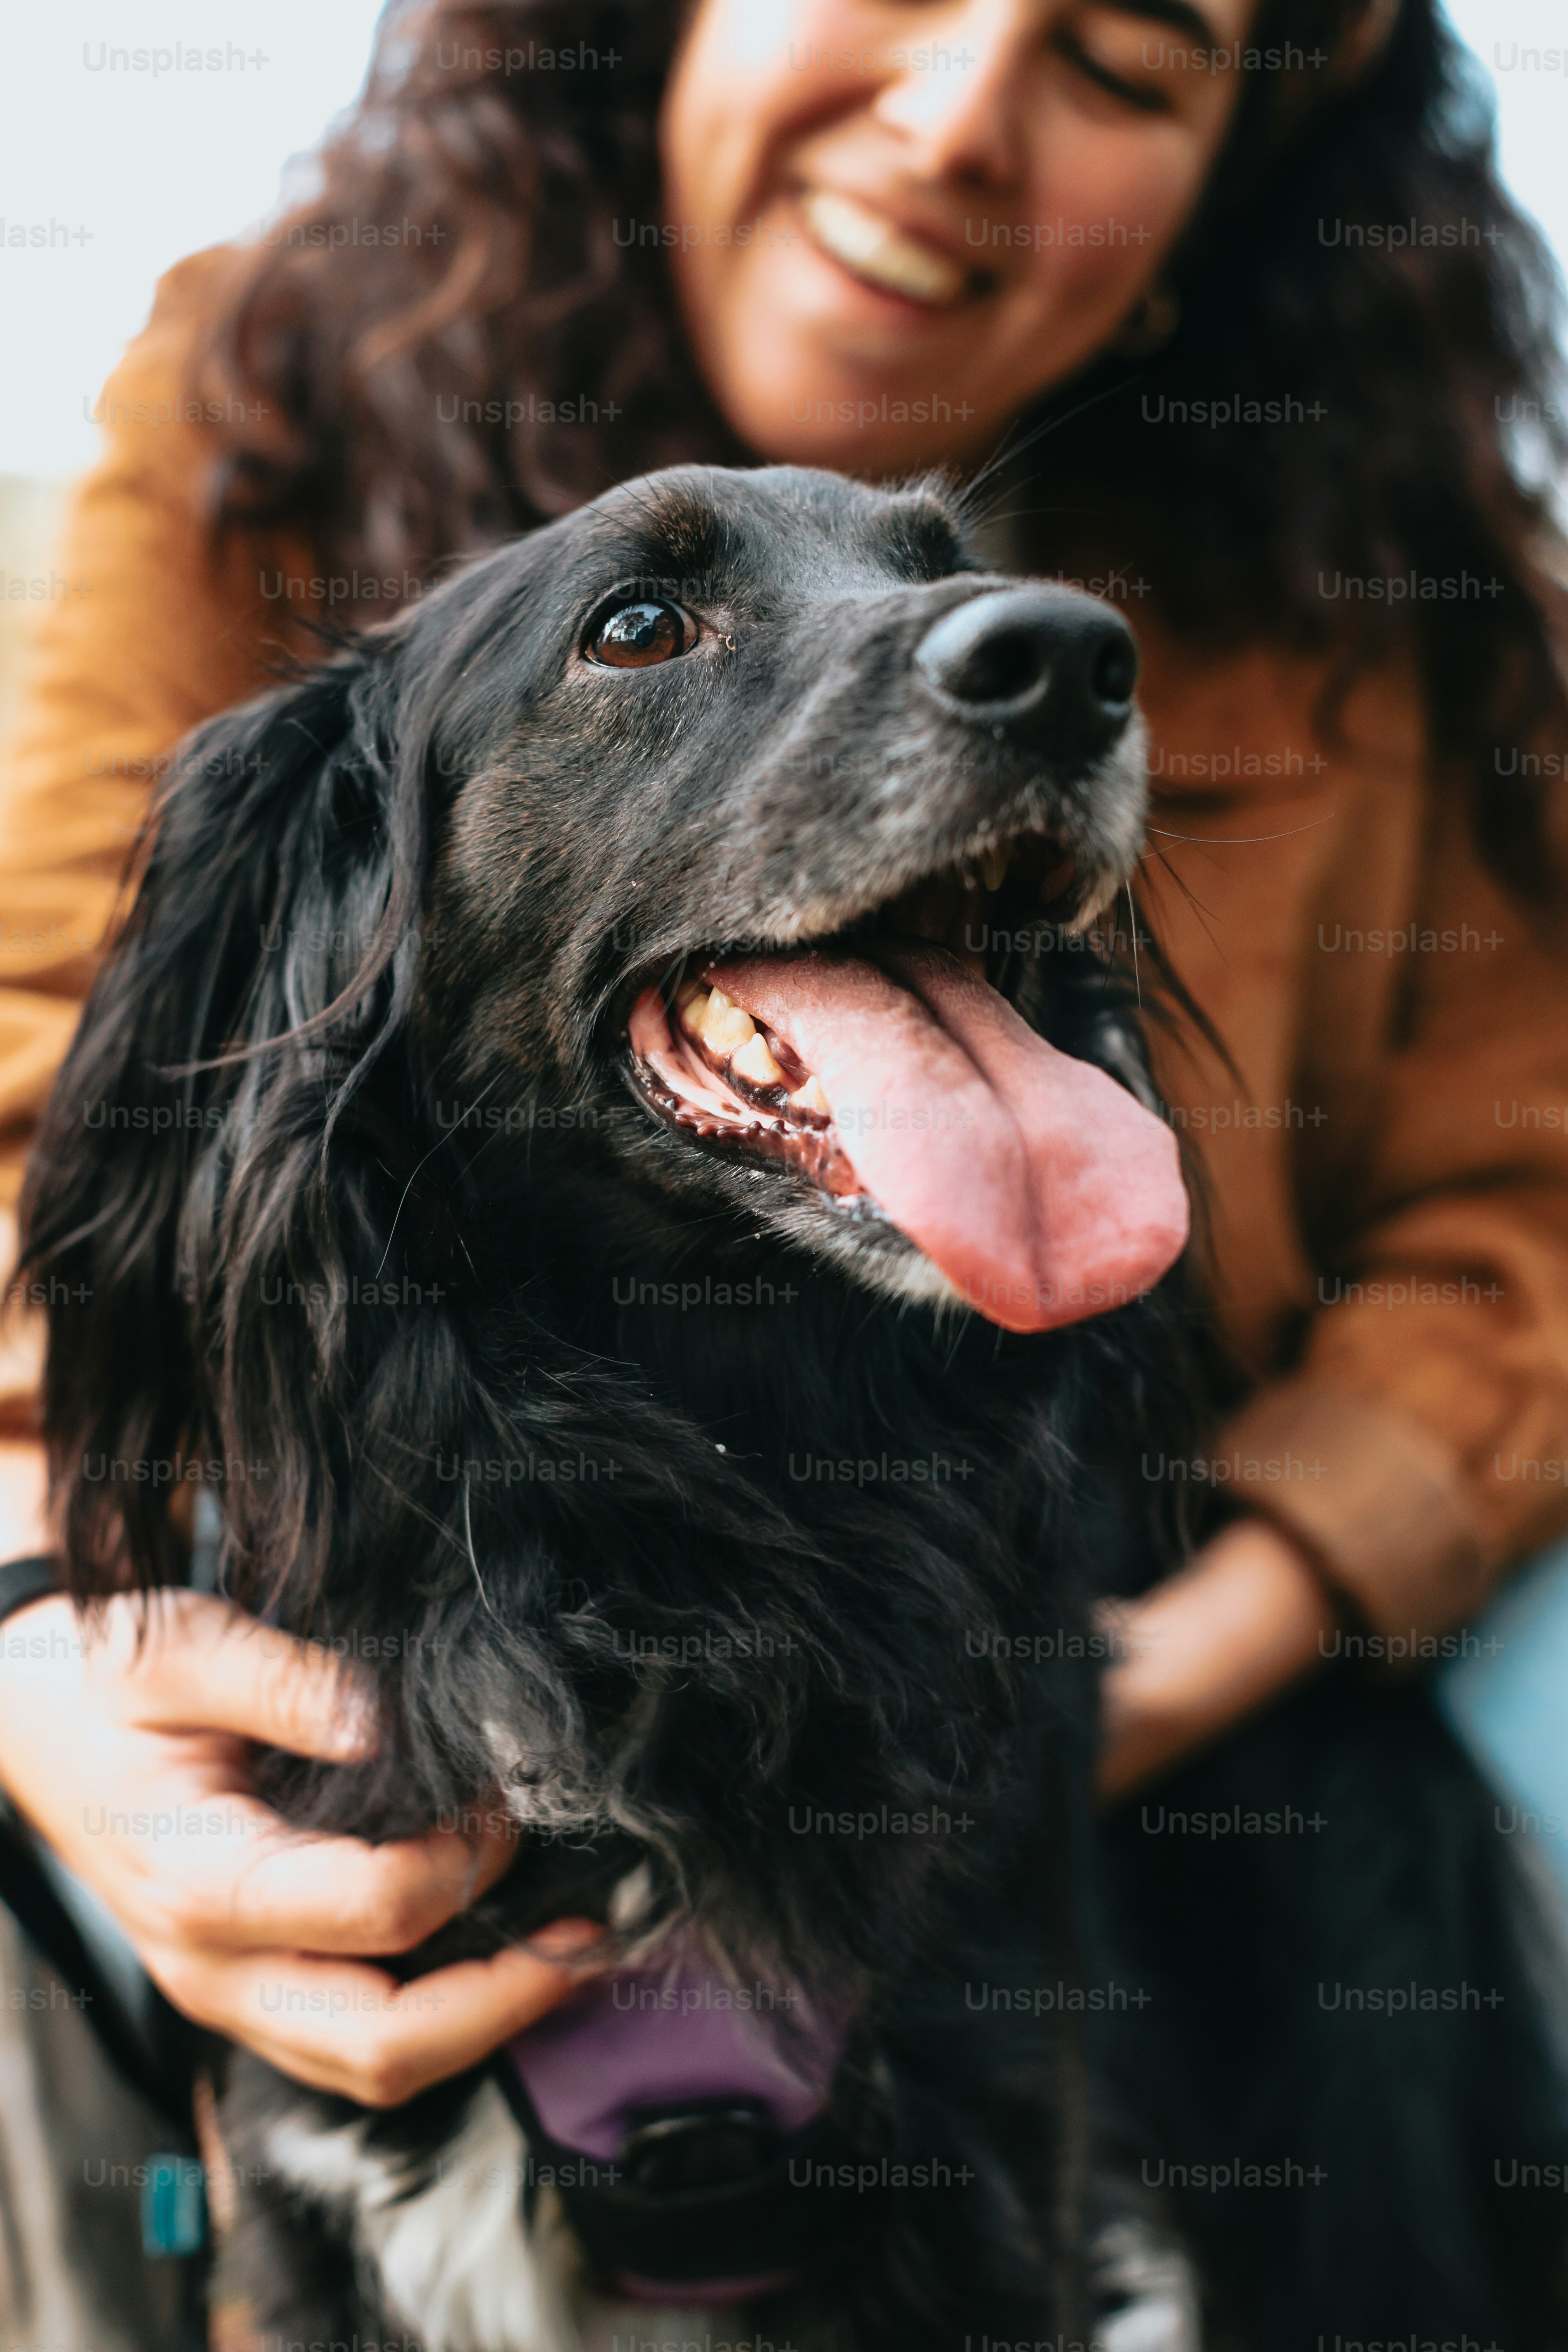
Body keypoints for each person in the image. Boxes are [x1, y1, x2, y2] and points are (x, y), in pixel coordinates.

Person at [2, 0, 1567, 2141]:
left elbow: (1534, 1201)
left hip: (1144, 1579)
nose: (954, 124)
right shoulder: (274, 393)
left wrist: (1212, 1637)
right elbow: (63, 1075)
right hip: (419, 1523)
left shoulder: (1390, 569)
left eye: (1118, 65)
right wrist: (30, 1620)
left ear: (1210, 209)